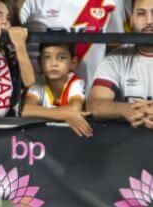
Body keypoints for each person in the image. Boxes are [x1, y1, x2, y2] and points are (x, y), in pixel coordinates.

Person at [20, 0, 127, 84]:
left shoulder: (110, 1)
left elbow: (116, 43)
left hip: (90, 95)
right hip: (38, 94)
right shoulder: (32, 2)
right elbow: (11, 30)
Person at [87, 0, 153, 129]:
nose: (149, 21)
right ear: (131, 20)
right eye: (141, 13)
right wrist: (129, 110)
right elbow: (94, 105)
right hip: (129, 144)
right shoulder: (117, 58)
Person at [22, 43, 92, 136]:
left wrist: (41, 112)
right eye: (47, 57)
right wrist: (65, 115)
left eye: (61, 58)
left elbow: (74, 109)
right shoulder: (38, 82)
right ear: (39, 62)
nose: (54, 63)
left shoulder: (75, 82)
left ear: (73, 63)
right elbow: (26, 110)